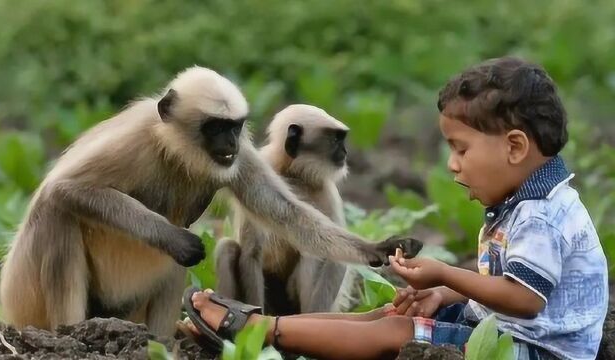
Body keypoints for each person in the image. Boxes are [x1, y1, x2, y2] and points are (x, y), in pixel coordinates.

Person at [181, 57, 609, 360]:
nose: (451, 163)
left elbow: (524, 299)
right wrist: (442, 293)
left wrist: (444, 273)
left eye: (461, 149)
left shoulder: (540, 215)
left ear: (515, 147)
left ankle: (261, 332)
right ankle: (267, 329)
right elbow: (508, 281)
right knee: (387, 313)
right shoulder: (524, 202)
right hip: (505, 330)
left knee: (396, 332)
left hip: (532, 351)